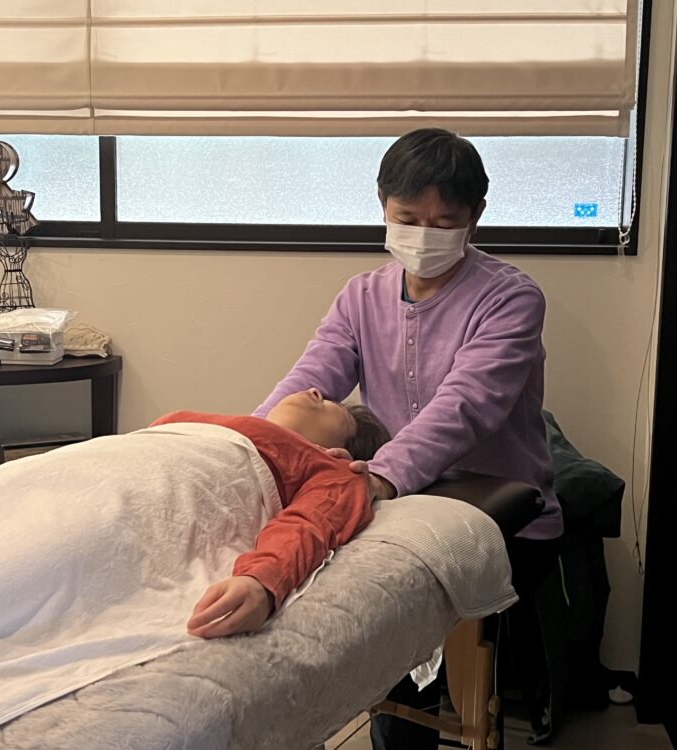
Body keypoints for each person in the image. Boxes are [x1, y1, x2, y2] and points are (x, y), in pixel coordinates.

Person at [253, 128, 564, 746]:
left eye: (444, 222)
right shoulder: (361, 296)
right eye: (408, 218)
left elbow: (465, 407)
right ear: (381, 205)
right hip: (400, 501)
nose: (424, 235)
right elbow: (307, 382)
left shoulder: (511, 298)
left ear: (476, 215)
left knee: (405, 624)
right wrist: (250, 444)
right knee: (376, 645)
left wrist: (378, 477)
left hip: (497, 511)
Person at [153, 388, 391, 639]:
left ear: (336, 450)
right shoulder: (190, 420)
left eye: (333, 406)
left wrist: (261, 580)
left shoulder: (337, 469)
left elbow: (309, 522)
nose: (314, 390)